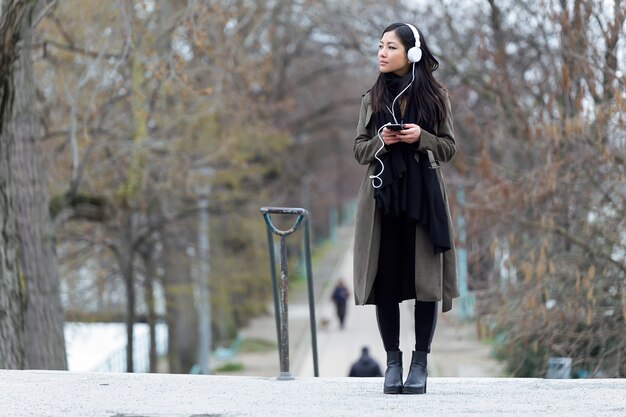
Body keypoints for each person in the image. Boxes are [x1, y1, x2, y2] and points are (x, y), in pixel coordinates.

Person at [352, 22, 459, 395]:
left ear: (411, 52)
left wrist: (421, 138)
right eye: (380, 46)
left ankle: (420, 364)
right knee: (386, 284)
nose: (381, 53)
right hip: (383, 202)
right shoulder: (371, 97)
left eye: (390, 47)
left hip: (423, 200)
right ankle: (393, 363)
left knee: (426, 285)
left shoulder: (435, 96)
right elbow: (358, 149)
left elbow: (448, 148)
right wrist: (381, 141)